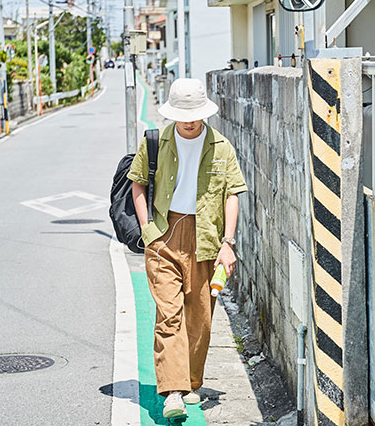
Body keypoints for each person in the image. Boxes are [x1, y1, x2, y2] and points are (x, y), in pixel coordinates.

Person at [127, 78, 248, 418]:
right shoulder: (155, 142)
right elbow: (138, 183)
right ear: (173, 113)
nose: (190, 120)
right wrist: (147, 230)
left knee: (201, 318)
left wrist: (228, 243)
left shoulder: (221, 146)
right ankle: (172, 392)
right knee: (169, 315)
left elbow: (231, 194)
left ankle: (192, 382)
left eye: (195, 113)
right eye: (184, 114)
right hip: (164, 234)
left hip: (207, 239)